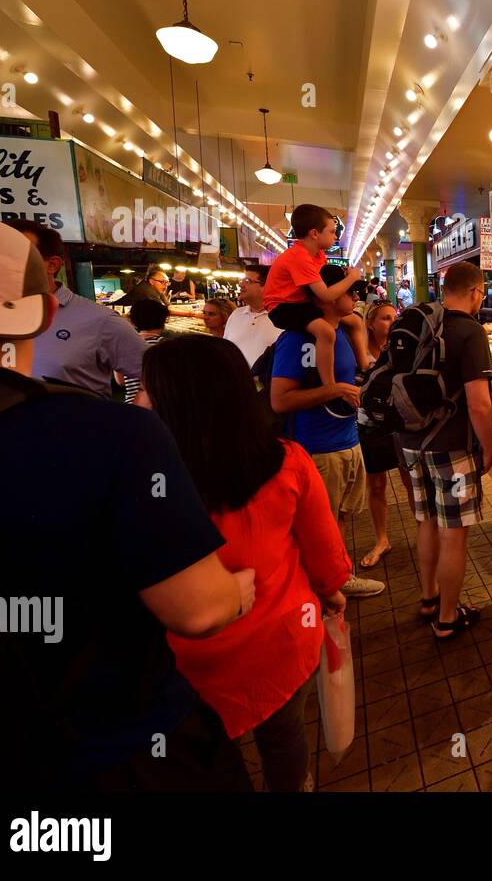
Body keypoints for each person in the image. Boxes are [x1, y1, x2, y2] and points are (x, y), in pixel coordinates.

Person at [0, 216, 254, 790]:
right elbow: (199, 610)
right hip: (110, 750)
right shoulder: (113, 434)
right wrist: (237, 592)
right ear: (46, 312)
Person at [143, 335, 350, 792]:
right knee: (283, 737)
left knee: (208, 752)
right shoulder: (285, 462)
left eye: (145, 389)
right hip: (279, 640)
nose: (137, 399)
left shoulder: (141, 485)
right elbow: (325, 557)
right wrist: (332, 592)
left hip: (182, 665)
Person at [270, 264, 385, 599]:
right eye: (349, 292)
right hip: (315, 449)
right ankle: (324, 587)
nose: (355, 296)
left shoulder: (342, 331)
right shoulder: (298, 339)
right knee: (319, 525)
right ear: (326, 297)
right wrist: (334, 390)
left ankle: (338, 576)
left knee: (339, 519)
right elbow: (280, 399)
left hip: (347, 440)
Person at [399, 261, 492, 639]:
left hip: (412, 445)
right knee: (454, 531)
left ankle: (429, 599)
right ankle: (448, 617)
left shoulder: (421, 323)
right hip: (453, 453)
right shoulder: (470, 332)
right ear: (475, 292)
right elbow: (479, 404)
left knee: (425, 521)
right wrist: (488, 448)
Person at [6, 219, 148, 399]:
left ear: (52, 265)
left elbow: (165, 376)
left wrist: (134, 418)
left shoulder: (100, 321)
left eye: (15, 255)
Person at [262, 205, 371, 414]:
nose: (335, 236)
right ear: (314, 233)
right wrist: (351, 277)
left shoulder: (317, 256)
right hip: (283, 307)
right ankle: (329, 385)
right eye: (331, 231)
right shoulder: (299, 256)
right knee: (325, 332)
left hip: (300, 303)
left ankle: (363, 365)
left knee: (354, 321)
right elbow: (326, 294)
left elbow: (326, 286)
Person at [356, 301, 415, 570]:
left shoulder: (401, 349)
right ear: (370, 323)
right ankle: (381, 539)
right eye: (384, 318)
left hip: (398, 424)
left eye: (394, 317)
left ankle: (422, 533)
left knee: (410, 480)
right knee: (376, 484)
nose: (391, 323)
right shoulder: (358, 352)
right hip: (369, 425)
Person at [224, 264, 282, 369]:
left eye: (247, 281)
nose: (241, 285)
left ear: (267, 286)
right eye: (241, 281)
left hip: (268, 384)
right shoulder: (236, 314)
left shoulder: (283, 318)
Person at [122, 298, 169, 405]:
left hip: (132, 404)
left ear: (133, 321)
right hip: (160, 406)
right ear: (163, 319)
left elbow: (120, 381)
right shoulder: (165, 346)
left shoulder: (125, 345)